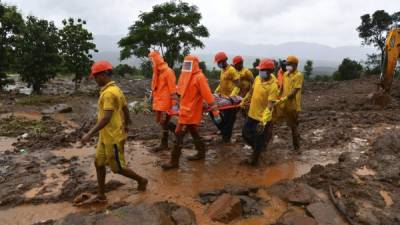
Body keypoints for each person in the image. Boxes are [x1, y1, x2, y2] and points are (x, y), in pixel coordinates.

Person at [81, 61, 148, 202]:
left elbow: (106, 118)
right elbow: (124, 106)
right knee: (98, 163)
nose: (94, 79)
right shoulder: (115, 89)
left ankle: (142, 180)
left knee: (117, 168)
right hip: (105, 135)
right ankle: (101, 195)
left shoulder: (109, 94)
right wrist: (127, 121)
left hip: (113, 137)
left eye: (96, 76)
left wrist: (89, 134)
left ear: (104, 74)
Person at [162, 55, 220, 170]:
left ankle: (174, 162)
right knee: (193, 131)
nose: (187, 66)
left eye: (189, 64)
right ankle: (201, 152)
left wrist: (215, 111)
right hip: (184, 109)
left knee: (179, 134)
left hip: (192, 111)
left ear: (195, 64)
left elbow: (207, 95)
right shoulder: (184, 76)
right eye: (185, 64)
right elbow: (179, 91)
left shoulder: (199, 77)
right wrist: (173, 103)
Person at [241, 59, 278, 166]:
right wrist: (245, 100)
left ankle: (255, 162)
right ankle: (259, 150)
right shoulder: (257, 78)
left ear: (270, 71)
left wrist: (263, 121)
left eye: (263, 70)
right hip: (252, 114)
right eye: (260, 69)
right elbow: (252, 91)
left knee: (259, 139)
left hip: (262, 118)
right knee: (245, 134)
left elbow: (270, 105)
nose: (260, 72)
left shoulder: (273, 86)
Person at [148, 51, 177, 152]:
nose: (151, 63)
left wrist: (174, 105)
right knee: (162, 122)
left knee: (164, 122)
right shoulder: (157, 72)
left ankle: (164, 143)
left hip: (166, 103)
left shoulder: (168, 72)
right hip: (159, 102)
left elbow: (173, 89)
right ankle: (178, 132)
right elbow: (155, 88)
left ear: (156, 60)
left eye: (152, 61)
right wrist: (151, 98)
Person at [275, 55, 304, 151]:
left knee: (293, 127)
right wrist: (277, 96)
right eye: (287, 64)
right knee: (272, 121)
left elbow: (295, 90)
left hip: (292, 106)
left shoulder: (298, 75)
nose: (287, 66)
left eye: (289, 64)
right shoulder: (285, 74)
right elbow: (282, 88)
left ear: (295, 65)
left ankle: (297, 148)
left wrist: (285, 98)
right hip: (283, 104)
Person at [214, 52, 240, 143]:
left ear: (225, 60)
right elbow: (222, 83)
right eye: (218, 62)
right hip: (224, 98)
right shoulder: (222, 70)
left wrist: (232, 97)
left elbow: (238, 84)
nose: (218, 64)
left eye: (219, 62)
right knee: (219, 116)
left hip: (231, 100)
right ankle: (224, 131)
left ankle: (226, 138)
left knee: (230, 120)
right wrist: (216, 91)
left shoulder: (232, 70)